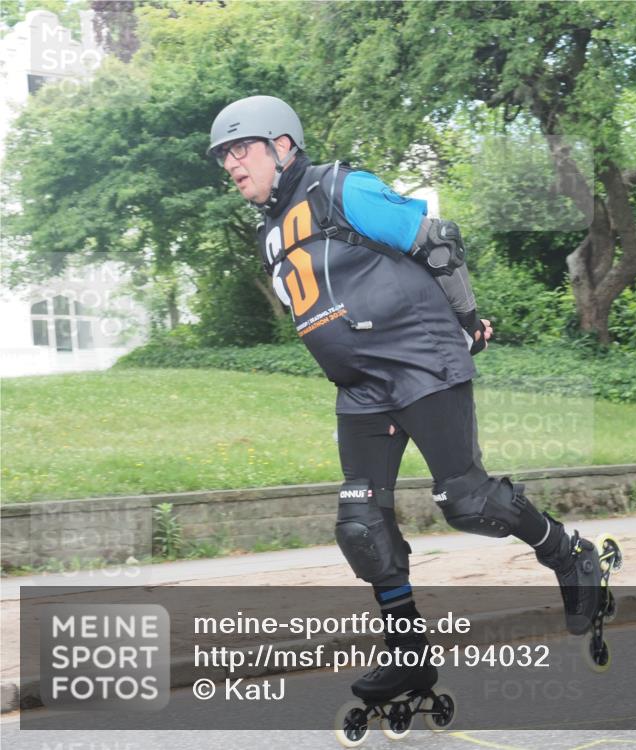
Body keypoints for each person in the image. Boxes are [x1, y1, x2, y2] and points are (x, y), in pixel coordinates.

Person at [208, 95, 603, 702]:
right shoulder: (269, 237)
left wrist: (467, 320)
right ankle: (410, 659)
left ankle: (570, 555)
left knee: (467, 501)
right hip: (362, 391)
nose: (233, 164)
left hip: (421, 364)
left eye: (243, 149)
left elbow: (437, 241)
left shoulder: (341, 189)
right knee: (362, 529)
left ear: (282, 146)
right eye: (224, 156)